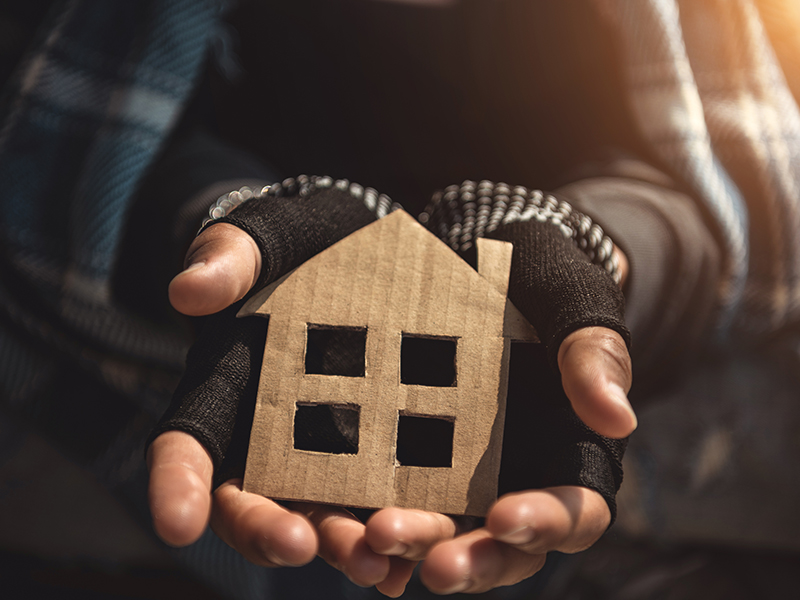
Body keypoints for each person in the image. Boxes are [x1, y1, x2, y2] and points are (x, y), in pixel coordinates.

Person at [2, 0, 798, 597]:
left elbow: (717, 196)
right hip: (138, 360)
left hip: (590, 383)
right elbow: (106, 148)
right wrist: (229, 220)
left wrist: (597, 250)